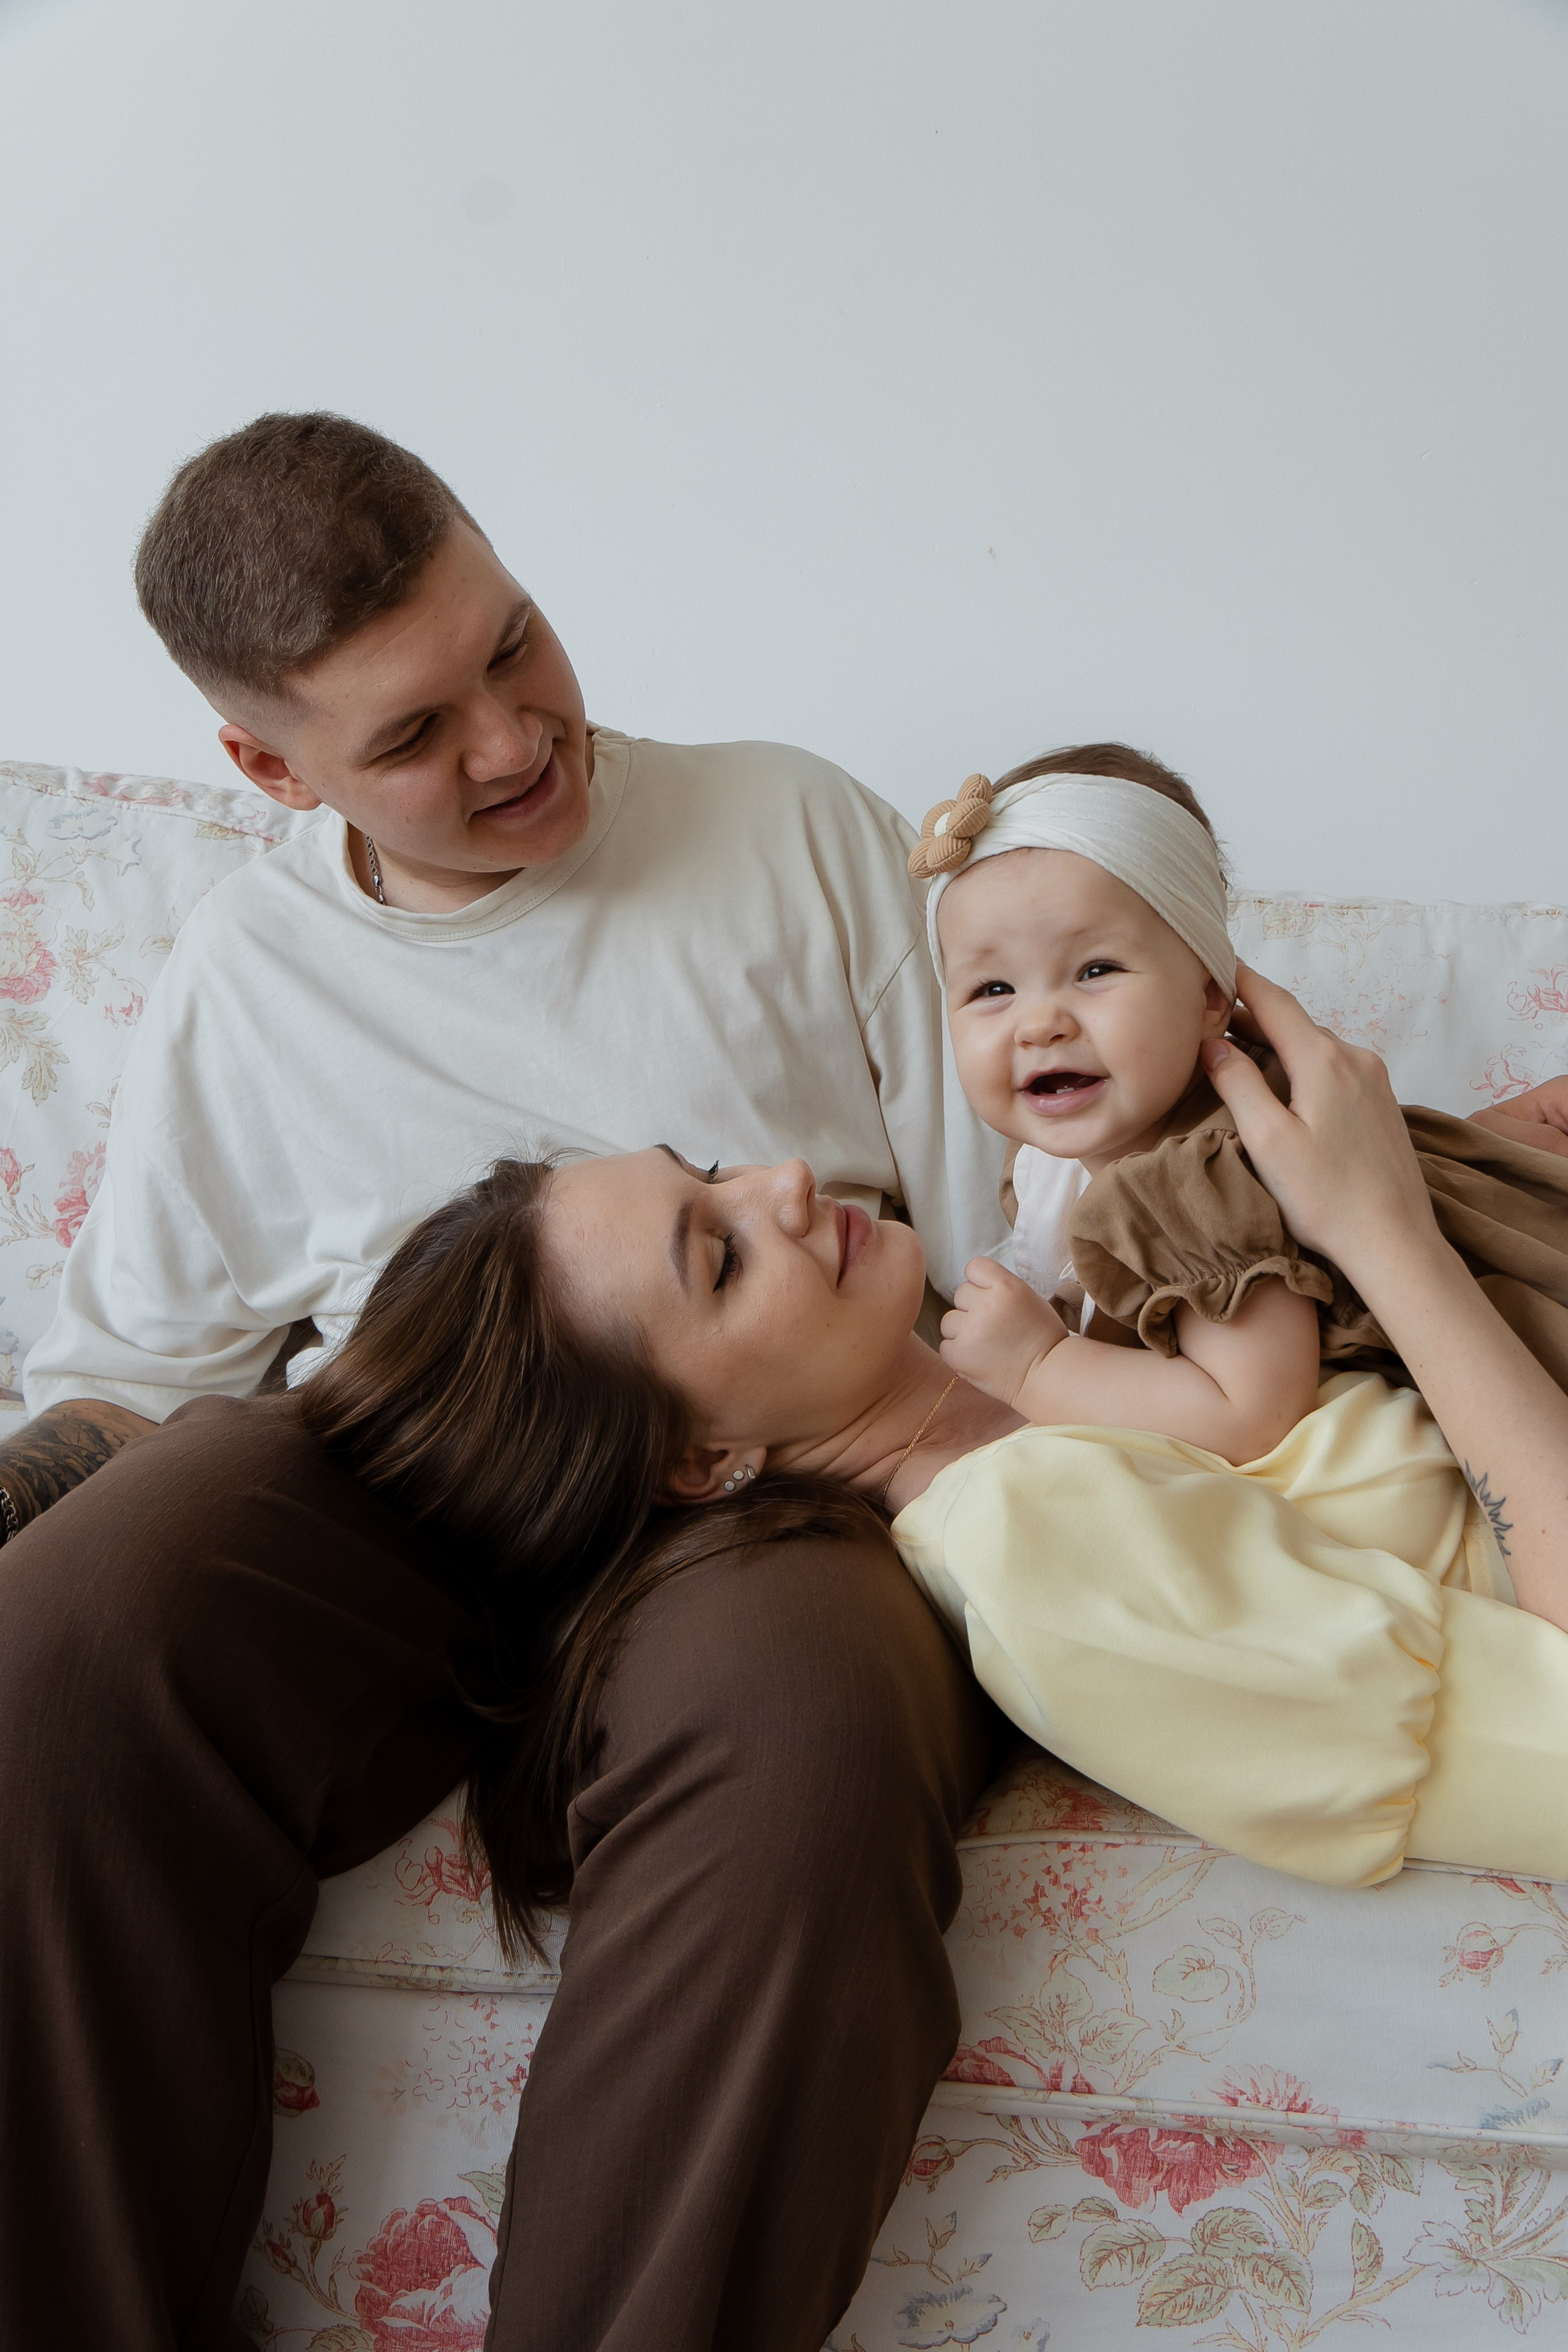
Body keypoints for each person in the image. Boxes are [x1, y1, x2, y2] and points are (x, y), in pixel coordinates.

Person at [0, 413, 1008, 2352]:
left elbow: (996, 1254)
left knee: (802, 1719)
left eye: (514, 646)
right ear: (265, 768)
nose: (513, 741)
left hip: (763, 1477)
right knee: (61, 1645)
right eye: (409, 736)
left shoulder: (793, 827)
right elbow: (130, 1379)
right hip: (404, 1472)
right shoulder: (250, 968)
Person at [277, 1033, 1568, 1934]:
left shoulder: (1054, 1364)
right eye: (721, 1259)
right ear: (698, 1461)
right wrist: (1381, 1232)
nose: (782, 1183)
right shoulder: (1028, 1545)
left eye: (712, 1171)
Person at [908, 744, 1568, 1463]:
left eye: (1095, 970)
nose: (1039, 1025)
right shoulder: (1055, 1158)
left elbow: (1249, 1413)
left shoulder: (1188, 1184)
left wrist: (1039, 1366)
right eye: (992, 989)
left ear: (1209, 996)